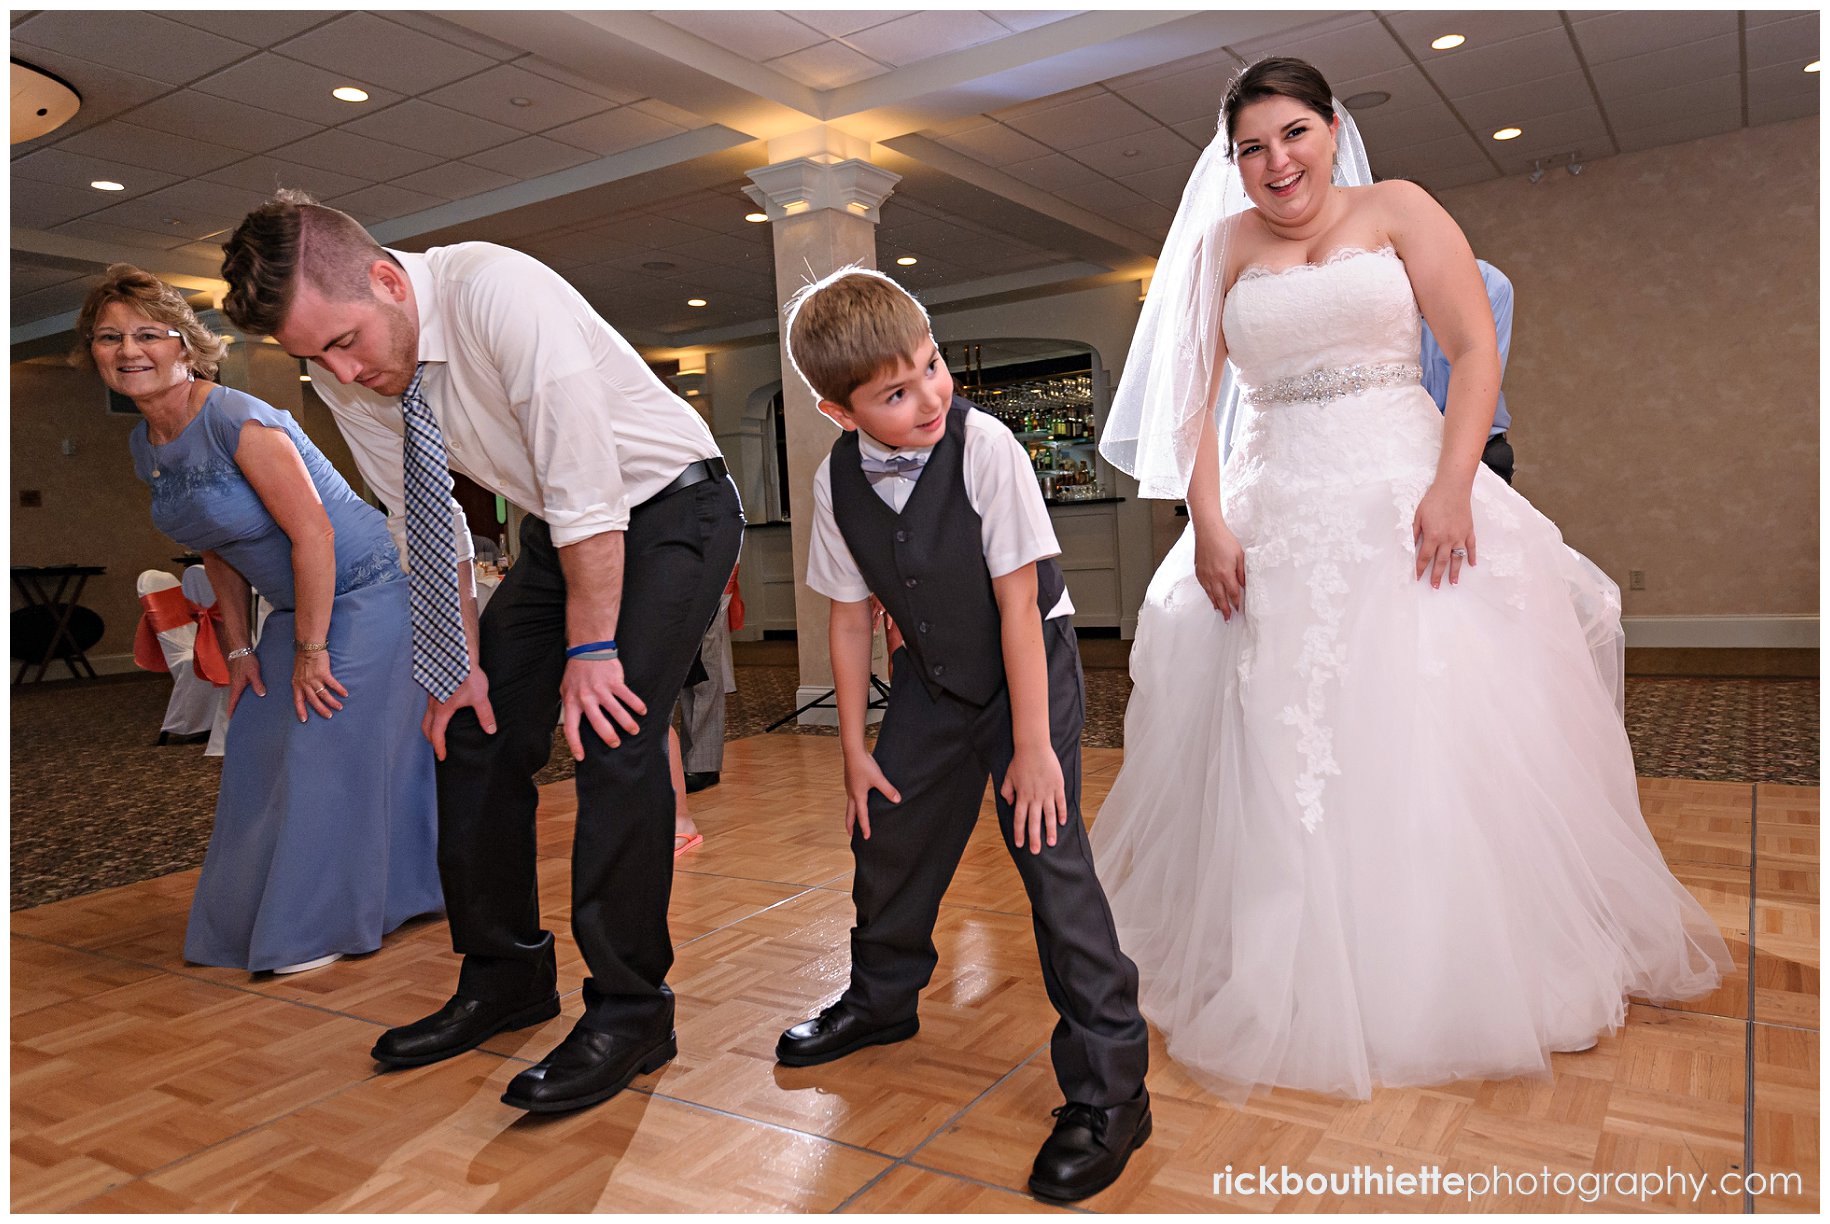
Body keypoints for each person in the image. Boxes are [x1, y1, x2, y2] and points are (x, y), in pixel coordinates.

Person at [1093, 58, 1731, 1104]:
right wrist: (1205, 521)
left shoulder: (1399, 210)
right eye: (1251, 147)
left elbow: (1473, 348)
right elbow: (1192, 407)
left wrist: (1453, 487)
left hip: (1405, 491)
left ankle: (1450, 959)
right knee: (1283, 733)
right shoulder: (1222, 248)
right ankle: (1288, 960)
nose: (1275, 162)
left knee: (1427, 716)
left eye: (1292, 134)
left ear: (1333, 128)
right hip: (1276, 511)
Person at [219, 192, 743, 1115]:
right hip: (559, 529)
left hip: (669, 509)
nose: (340, 370)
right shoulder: (356, 374)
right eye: (314, 358)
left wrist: (592, 647)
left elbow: (590, 487)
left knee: (614, 738)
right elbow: (424, 518)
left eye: (344, 342)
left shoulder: (500, 290)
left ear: (387, 279)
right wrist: (456, 663)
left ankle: (631, 1011)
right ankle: (506, 976)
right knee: (473, 729)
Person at [781, 268, 1151, 1203]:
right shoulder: (835, 481)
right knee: (888, 830)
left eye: (933, 366)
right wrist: (856, 746)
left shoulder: (986, 447)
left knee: (1047, 851)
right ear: (838, 409)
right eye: (896, 393)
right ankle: (881, 998)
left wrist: (1035, 749)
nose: (931, 396)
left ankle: (1113, 1090)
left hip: (1029, 670)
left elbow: (1019, 604)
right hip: (929, 685)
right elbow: (851, 616)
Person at [84, 265, 441, 975]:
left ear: (186, 344)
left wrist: (310, 649)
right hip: (295, 607)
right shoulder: (145, 445)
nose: (129, 350)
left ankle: (323, 921)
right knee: (254, 746)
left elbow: (315, 535)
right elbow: (215, 542)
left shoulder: (237, 418)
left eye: (147, 334)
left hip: (367, 597)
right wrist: (240, 648)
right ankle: (271, 911)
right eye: (109, 337)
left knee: (323, 747)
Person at [1422, 257, 1516, 484]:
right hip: (1387, 449)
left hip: (1476, 451)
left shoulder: (1489, 284)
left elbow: (1478, 387)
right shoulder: (1371, 292)